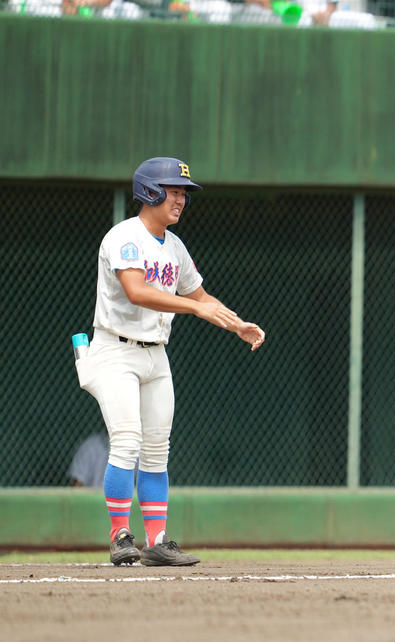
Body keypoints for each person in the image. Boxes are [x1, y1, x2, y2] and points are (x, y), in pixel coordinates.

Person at [79, 157, 265, 566]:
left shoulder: (175, 246)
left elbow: (201, 298)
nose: (181, 199)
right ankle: (119, 536)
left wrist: (236, 324)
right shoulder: (124, 237)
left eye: (183, 193)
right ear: (150, 192)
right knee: (126, 441)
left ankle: (157, 540)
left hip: (154, 354)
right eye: (174, 190)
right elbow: (137, 291)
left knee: (157, 450)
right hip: (115, 351)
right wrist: (195, 310)